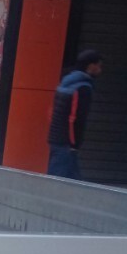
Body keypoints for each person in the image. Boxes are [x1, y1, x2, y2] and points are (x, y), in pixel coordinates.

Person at [47, 50, 102, 179]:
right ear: (91, 66)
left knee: (70, 180)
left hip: (56, 138)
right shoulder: (83, 88)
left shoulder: (66, 83)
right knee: (59, 181)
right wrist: (74, 144)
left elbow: (52, 111)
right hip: (67, 142)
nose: (100, 70)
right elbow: (77, 118)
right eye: (99, 66)